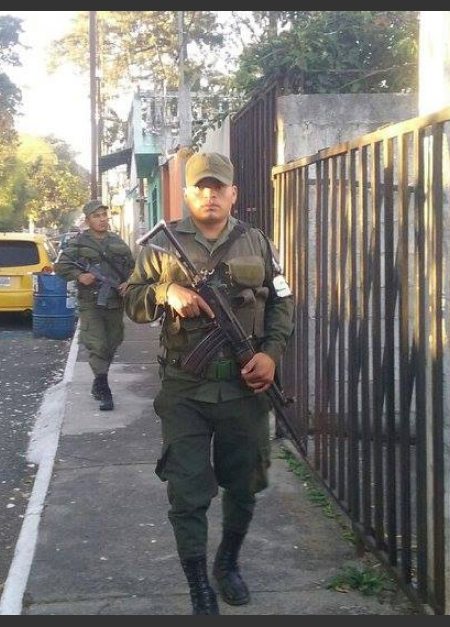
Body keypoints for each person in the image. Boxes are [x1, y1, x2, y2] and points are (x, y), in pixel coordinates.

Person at [124, 152, 295, 614]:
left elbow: (282, 300)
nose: (211, 194)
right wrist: (166, 292)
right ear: (187, 193)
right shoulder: (160, 247)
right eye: (202, 186)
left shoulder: (255, 241)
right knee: (188, 487)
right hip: (185, 388)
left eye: (219, 187)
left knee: (244, 484)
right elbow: (132, 300)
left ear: (233, 193)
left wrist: (271, 354)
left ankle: (227, 564)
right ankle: (198, 583)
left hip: (244, 389)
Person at [55, 200, 135, 411]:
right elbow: (60, 266)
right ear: (88, 220)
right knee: (97, 343)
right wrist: (80, 275)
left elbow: (133, 267)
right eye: (96, 216)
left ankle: (99, 379)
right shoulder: (79, 244)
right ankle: (103, 386)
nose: (101, 219)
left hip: (114, 302)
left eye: (104, 215)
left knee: (112, 342)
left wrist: (130, 281)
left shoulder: (118, 242)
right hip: (91, 302)